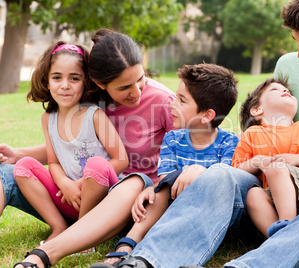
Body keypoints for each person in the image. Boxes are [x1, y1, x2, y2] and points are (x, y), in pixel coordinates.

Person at [84, 0, 299, 267]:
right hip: (261, 202)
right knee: (221, 172)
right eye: (297, 44)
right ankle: (147, 261)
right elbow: (258, 134)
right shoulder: (290, 64)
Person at [10, 28, 176, 268]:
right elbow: (68, 148)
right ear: (100, 84)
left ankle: (66, 242)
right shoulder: (92, 101)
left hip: (138, 195)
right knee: (13, 169)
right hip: (86, 193)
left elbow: (188, 151)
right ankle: (64, 230)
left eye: (140, 78)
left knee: (107, 171)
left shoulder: (162, 100)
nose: (138, 92)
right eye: (124, 87)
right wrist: (19, 155)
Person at [94, 63, 239, 267]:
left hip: (209, 212)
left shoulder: (228, 142)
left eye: (181, 100)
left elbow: (225, 183)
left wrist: (198, 172)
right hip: (174, 204)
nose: (172, 103)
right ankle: (127, 244)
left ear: (207, 115)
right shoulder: (172, 138)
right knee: (160, 189)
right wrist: (152, 190)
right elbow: (165, 182)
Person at [13, 41, 128, 244]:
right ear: (47, 81)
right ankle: (59, 228)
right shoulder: (48, 119)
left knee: (96, 164)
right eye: (57, 77)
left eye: (74, 78)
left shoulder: (94, 115)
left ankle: (82, 236)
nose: (65, 85)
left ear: (86, 82)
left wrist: (81, 182)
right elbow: (54, 162)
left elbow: (121, 159)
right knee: (24, 166)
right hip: (70, 198)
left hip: (103, 201)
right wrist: (65, 184)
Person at [233, 77, 299, 239]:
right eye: (274, 90)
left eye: (287, 91)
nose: (285, 91)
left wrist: (296, 159)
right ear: (256, 110)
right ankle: (279, 238)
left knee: (276, 168)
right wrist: (257, 161)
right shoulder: (251, 134)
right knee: (253, 194)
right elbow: (236, 171)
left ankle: (287, 226)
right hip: (273, 199)